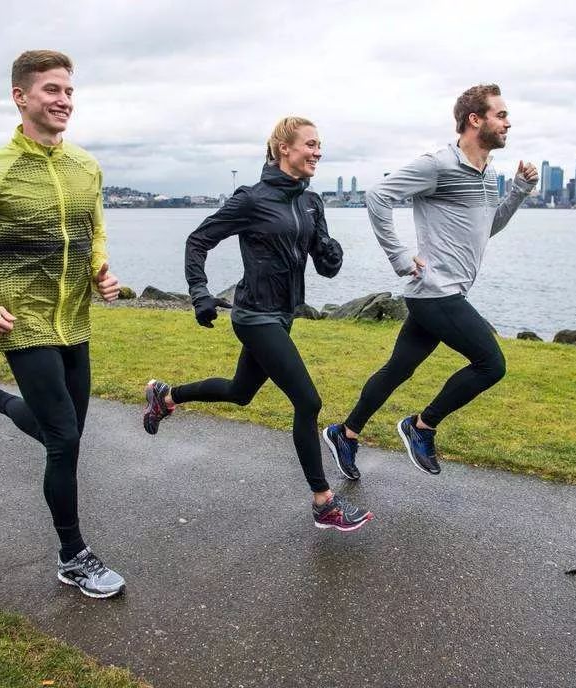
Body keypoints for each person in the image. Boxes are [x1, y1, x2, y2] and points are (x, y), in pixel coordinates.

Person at [0, 50, 126, 598]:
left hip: (74, 324)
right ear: (21, 97)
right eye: (51, 91)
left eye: (69, 91)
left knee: (67, 433)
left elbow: (94, 230)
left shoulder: (86, 167)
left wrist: (100, 275)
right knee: (63, 440)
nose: (63, 101)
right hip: (21, 321)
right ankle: (74, 556)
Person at [141, 117, 373, 532]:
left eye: (320, 145)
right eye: (311, 144)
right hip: (254, 316)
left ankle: (166, 396)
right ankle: (323, 502)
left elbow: (326, 267)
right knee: (308, 402)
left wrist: (331, 251)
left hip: (283, 315)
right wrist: (200, 292)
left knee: (240, 392)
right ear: (284, 147)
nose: (318, 152)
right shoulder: (251, 199)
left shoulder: (310, 201)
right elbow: (198, 241)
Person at [322, 84, 538, 479]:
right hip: (435, 291)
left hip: (441, 291)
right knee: (491, 364)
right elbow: (378, 196)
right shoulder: (438, 165)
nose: (508, 122)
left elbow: (487, 228)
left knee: (398, 369)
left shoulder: (489, 174)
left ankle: (345, 433)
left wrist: (520, 192)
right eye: (501, 115)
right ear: (476, 120)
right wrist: (400, 256)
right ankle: (421, 425)